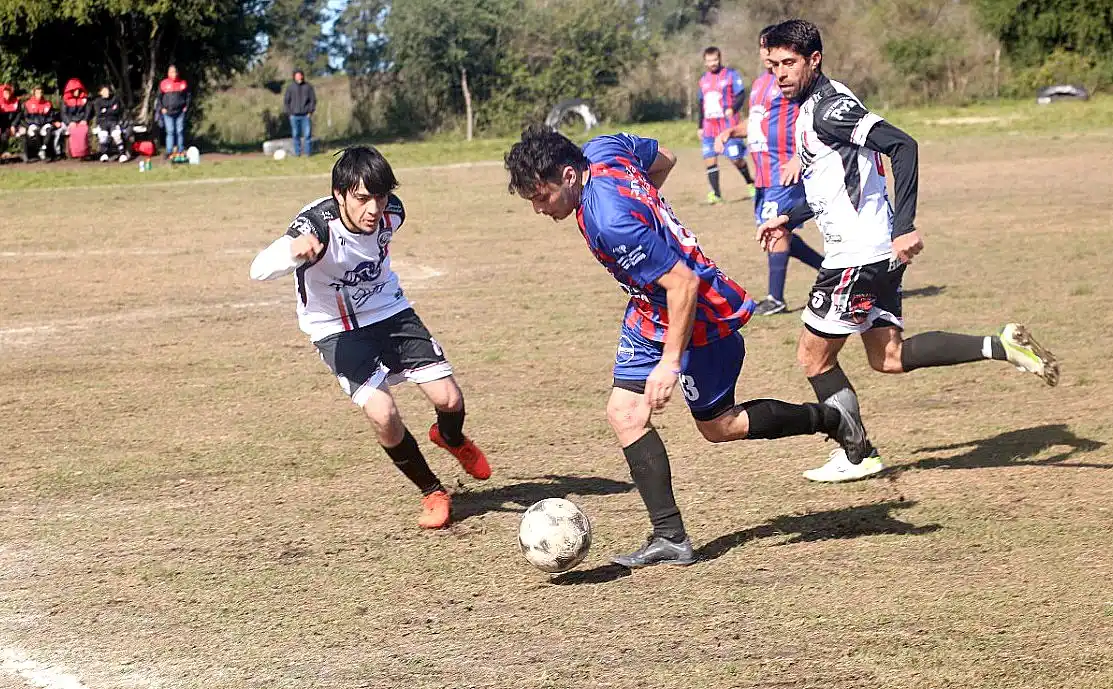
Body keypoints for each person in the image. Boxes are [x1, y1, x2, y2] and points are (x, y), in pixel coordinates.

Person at [504, 125, 864, 569]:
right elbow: (666, 158)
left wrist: (670, 364)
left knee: (719, 427)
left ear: (569, 175)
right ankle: (670, 537)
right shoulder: (603, 148)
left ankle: (831, 418)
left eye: (541, 196)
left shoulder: (611, 220)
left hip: (696, 315)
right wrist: (649, 217)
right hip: (648, 310)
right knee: (624, 413)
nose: (539, 208)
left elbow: (683, 284)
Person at [756, 19, 1060, 483]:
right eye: (772, 65)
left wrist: (905, 226)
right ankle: (1001, 345)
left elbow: (902, 145)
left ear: (813, 60)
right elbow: (838, 183)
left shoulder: (829, 109)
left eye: (788, 63)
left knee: (813, 358)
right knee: (888, 357)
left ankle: (858, 453)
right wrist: (790, 218)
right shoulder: (825, 101)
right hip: (874, 251)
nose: (779, 73)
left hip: (858, 255)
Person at [249, 146, 490, 529]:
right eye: (362, 198)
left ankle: (450, 437)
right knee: (384, 414)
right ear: (339, 194)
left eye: (380, 196)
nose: (373, 209)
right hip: (335, 327)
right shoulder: (316, 224)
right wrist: (292, 251)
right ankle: (432, 491)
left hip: (388, 310)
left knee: (449, 399)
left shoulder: (393, 212)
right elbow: (259, 268)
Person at [717, 26, 824, 316]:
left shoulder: (791, 83)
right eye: (764, 47)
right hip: (763, 174)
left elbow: (812, 118)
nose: (766, 53)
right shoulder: (760, 84)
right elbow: (757, 123)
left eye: (771, 47)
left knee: (776, 230)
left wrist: (799, 157)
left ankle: (775, 298)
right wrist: (731, 131)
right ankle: (829, 269)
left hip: (783, 170)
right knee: (777, 231)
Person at [697, 46, 755, 204]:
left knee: (736, 159)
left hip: (727, 126)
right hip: (709, 128)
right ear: (705, 62)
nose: (712, 63)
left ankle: (751, 183)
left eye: (715, 60)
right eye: (709, 61)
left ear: (720, 59)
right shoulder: (703, 80)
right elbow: (701, 104)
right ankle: (716, 194)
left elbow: (741, 94)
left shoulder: (730, 75)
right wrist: (700, 126)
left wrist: (733, 108)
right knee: (710, 159)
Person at [156, 65, 191, 159]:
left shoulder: (182, 83)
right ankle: (169, 151)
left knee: (180, 131)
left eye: (175, 72)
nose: (174, 74)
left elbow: (188, 96)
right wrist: (162, 108)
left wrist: (186, 107)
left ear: (177, 73)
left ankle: (180, 150)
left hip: (180, 112)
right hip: (167, 112)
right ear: (168, 73)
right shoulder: (163, 83)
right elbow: (159, 97)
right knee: (170, 131)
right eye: (171, 72)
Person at [18, 85, 62, 161]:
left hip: (44, 123)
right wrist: (32, 123)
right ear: (34, 93)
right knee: (35, 130)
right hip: (32, 124)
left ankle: (43, 149)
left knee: (49, 129)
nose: (39, 94)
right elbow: (25, 118)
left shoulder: (47, 103)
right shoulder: (28, 104)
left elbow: (51, 116)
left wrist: (49, 121)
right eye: (37, 93)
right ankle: (39, 150)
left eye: (41, 92)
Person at [283, 69, 316, 157]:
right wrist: (289, 113)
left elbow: (313, 100)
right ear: (294, 77)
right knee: (295, 135)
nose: (298, 77)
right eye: (296, 75)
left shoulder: (308, 87)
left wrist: (310, 112)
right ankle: (297, 153)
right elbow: (286, 101)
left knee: (307, 135)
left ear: (302, 76)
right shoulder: (290, 87)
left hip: (306, 115)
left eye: (300, 75)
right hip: (294, 115)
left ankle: (308, 153)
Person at [92, 85, 127, 163]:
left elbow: (116, 111)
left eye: (107, 91)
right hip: (102, 122)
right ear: (100, 93)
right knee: (103, 135)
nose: (106, 93)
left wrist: (105, 110)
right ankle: (104, 154)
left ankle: (122, 154)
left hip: (114, 121)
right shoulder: (97, 101)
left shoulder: (115, 99)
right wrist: (110, 109)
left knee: (116, 134)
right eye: (104, 91)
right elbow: (98, 113)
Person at [61, 78, 92, 159]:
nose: (77, 91)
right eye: (75, 90)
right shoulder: (65, 100)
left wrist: (85, 120)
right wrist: (69, 122)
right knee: (73, 131)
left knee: (83, 130)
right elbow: (64, 113)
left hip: (82, 121)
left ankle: (84, 152)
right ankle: (74, 152)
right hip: (71, 121)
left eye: (78, 90)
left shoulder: (85, 100)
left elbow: (88, 111)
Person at [0, 84, 19, 159]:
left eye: (8, 93)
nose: (7, 95)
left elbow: (18, 115)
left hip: (10, 126)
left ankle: (4, 153)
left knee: (4, 136)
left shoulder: (15, 102)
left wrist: (13, 125)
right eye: (5, 93)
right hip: (1, 125)